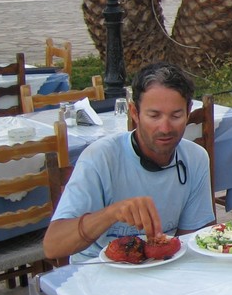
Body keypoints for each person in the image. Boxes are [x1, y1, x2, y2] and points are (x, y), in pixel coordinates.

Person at [43, 62, 215, 263]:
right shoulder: (100, 157)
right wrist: (111, 213)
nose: (165, 128)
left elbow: (193, 240)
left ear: (188, 112)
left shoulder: (195, 158)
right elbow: (53, 247)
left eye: (176, 116)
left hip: (160, 269)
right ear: (134, 113)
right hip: (95, 270)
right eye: (154, 116)